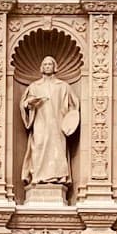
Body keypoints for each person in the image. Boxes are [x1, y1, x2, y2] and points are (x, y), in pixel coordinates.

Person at [20, 55, 79, 194]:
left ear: (54, 67)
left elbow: (74, 105)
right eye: (45, 64)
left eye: (50, 64)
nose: (47, 66)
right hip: (40, 122)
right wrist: (29, 103)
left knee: (57, 149)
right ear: (41, 67)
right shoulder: (34, 86)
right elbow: (24, 104)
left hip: (57, 124)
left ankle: (57, 177)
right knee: (38, 146)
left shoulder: (63, 86)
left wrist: (70, 120)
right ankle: (37, 176)